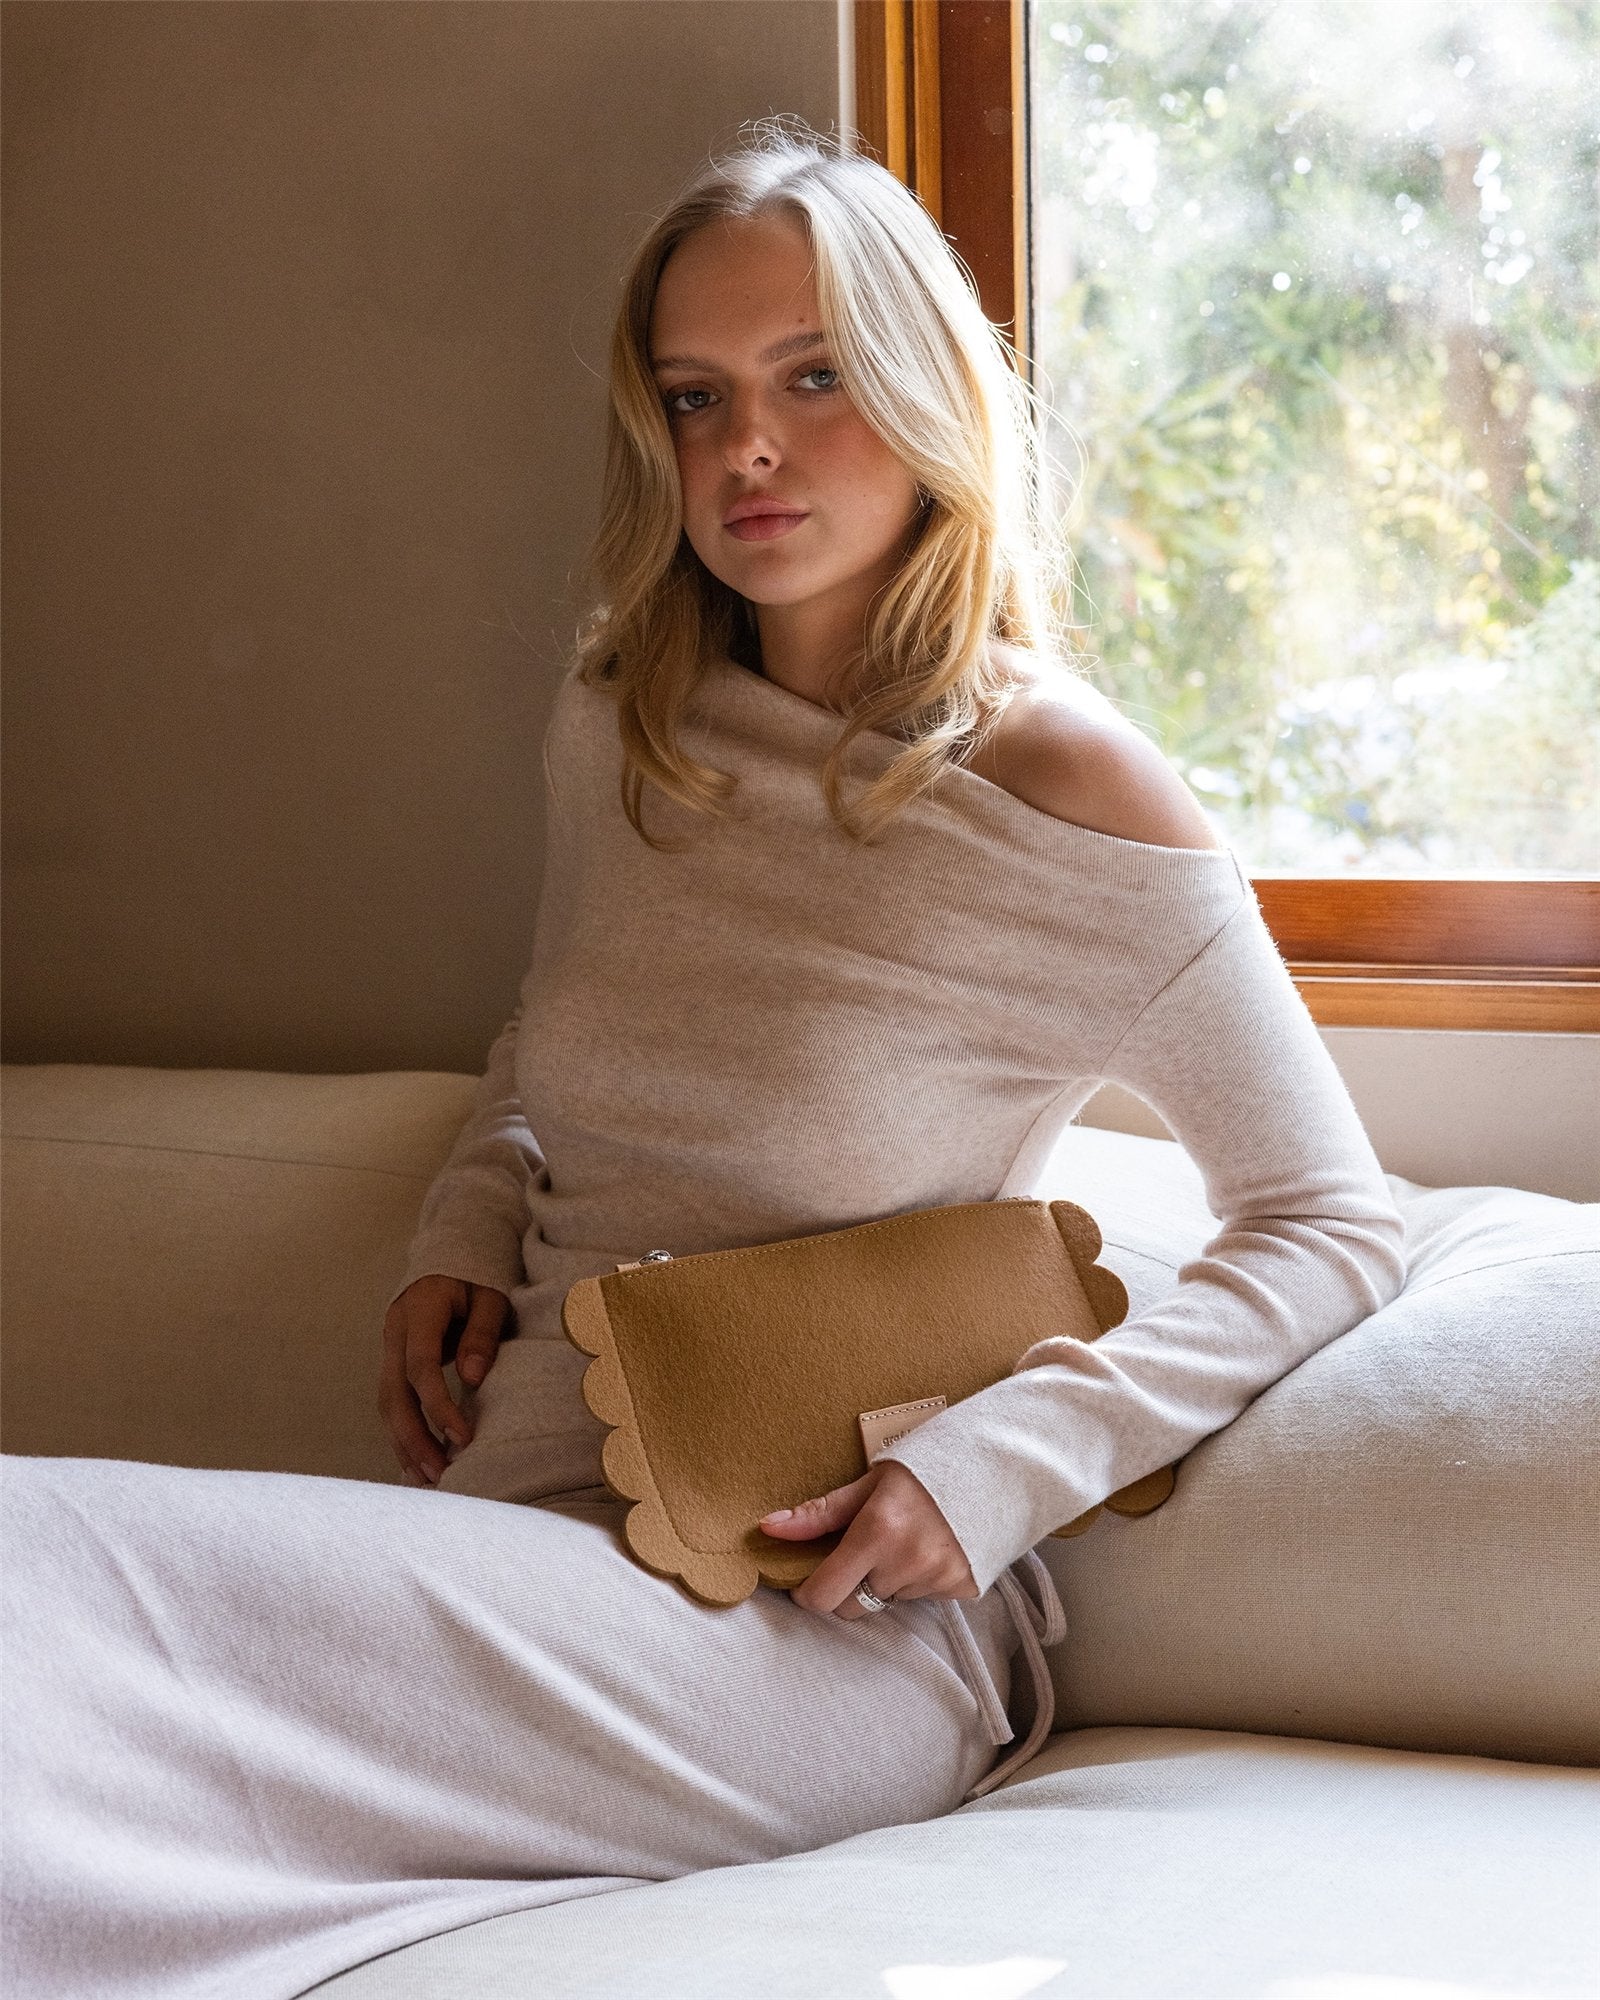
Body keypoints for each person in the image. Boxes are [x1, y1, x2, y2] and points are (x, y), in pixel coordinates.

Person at [1, 115, 1407, 2000]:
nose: (746, 445)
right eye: (695, 395)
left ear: (925, 391)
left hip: (809, 1630)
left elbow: (1330, 1224)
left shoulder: (1063, 788)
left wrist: (1001, 1463)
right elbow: (551, 1035)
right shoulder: (625, 721)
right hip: (515, 1540)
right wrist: (462, 1222)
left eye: (814, 377)